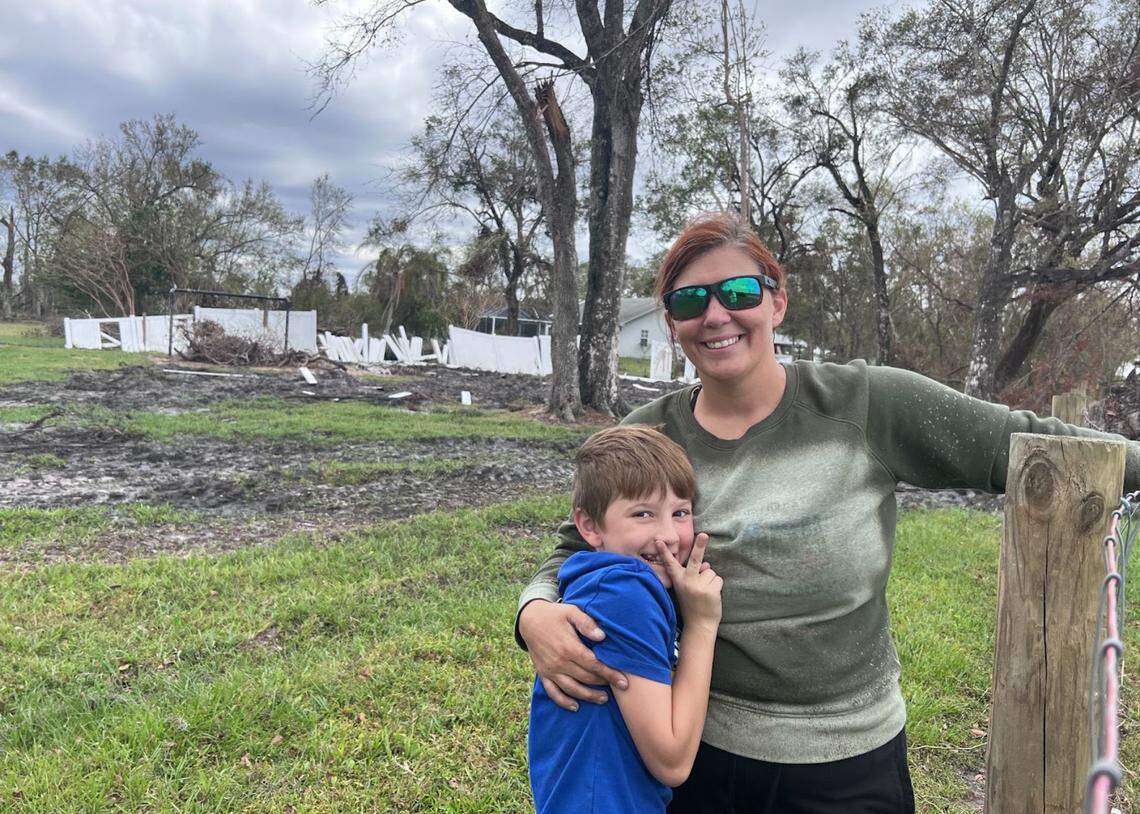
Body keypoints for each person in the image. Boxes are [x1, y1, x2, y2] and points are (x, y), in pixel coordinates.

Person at [517, 211, 1140, 814]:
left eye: (738, 291)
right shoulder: (648, 437)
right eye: (688, 302)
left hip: (846, 758)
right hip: (695, 756)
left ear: (776, 302)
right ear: (673, 323)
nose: (715, 315)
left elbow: (1037, 445)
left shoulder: (865, 403)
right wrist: (535, 613)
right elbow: (577, 546)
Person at [528, 425, 724, 814]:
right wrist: (702, 624)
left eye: (680, 512)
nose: (667, 535)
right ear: (589, 526)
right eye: (642, 514)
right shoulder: (625, 592)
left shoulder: (602, 580)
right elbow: (672, 762)